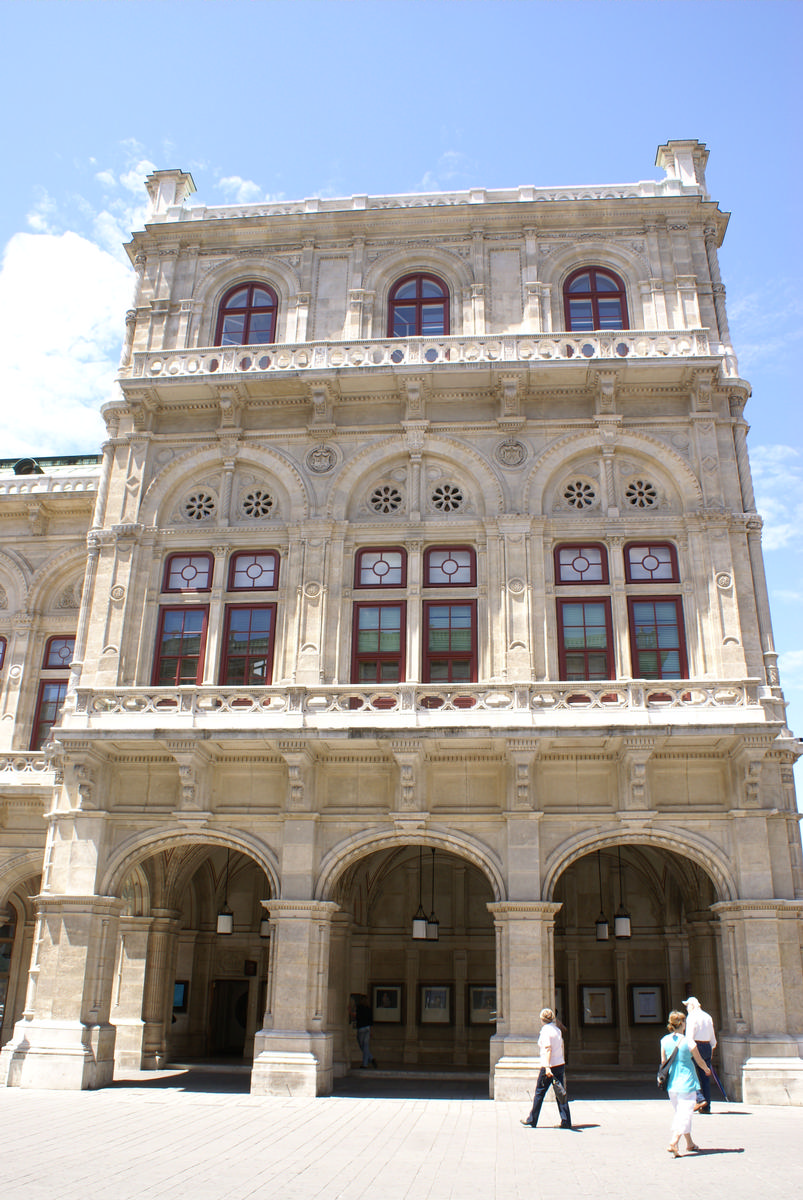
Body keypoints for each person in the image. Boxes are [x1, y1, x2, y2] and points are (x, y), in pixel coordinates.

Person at [660, 1009, 712, 1157]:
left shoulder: (664, 1041)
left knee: (681, 1113)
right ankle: (674, 1141)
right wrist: (706, 1069)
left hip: (672, 1084)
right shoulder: (688, 1041)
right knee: (685, 1113)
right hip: (687, 1082)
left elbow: (663, 1062)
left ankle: (689, 1143)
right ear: (682, 1023)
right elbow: (699, 1059)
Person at [521, 1007, 572, 1129]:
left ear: (542, 1019)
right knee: (560, 1093)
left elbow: (548, 1049)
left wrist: (548, 1067)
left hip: (549, 1066)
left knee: (539, 1093)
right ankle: (566, 1120)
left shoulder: (545, 1031)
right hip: (559, 1064)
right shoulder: (557, 1030)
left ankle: (532, 1119)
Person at [683, 996, 717, 1113]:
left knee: (689, 1073)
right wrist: (711, 1050)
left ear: (692, 1006)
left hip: (695, 1047)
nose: (687, 1008)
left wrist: (691, 1051)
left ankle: (700, 1098)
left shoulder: (691, 1017)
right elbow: (713, 1039)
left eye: (687, 1006)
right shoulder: (708, 1016)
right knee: (705, 1078)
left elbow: (689, 1037)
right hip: (707, 1046)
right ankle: (707, 1107)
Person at [352, 993, 377, 1069]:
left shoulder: (359, 1008)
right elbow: (371, 1021)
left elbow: (356, 1016)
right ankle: (369, 1060)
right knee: (365, 1046)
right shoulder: (369, 1009)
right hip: (368, 1028)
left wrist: (350, 1011)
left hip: (361, 1028)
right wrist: (371, 1031)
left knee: (362, 1046)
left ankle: (367, 1062)